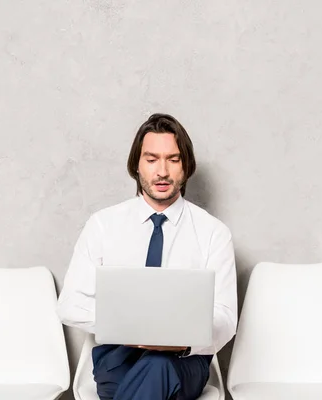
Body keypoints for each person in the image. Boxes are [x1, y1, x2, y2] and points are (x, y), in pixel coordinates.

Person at [57, 113, 238, 400]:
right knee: (152, 373)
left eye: (173, 159)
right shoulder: (103, 225)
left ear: (186, 166)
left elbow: (226, 319)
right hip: (118, 361)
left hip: (184, 362)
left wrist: (179, 342)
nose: (162, 171)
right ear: (136, 165)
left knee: (159, 366)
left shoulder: (213, 233)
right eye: (151, 159)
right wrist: (130, 327)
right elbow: (69, 305)